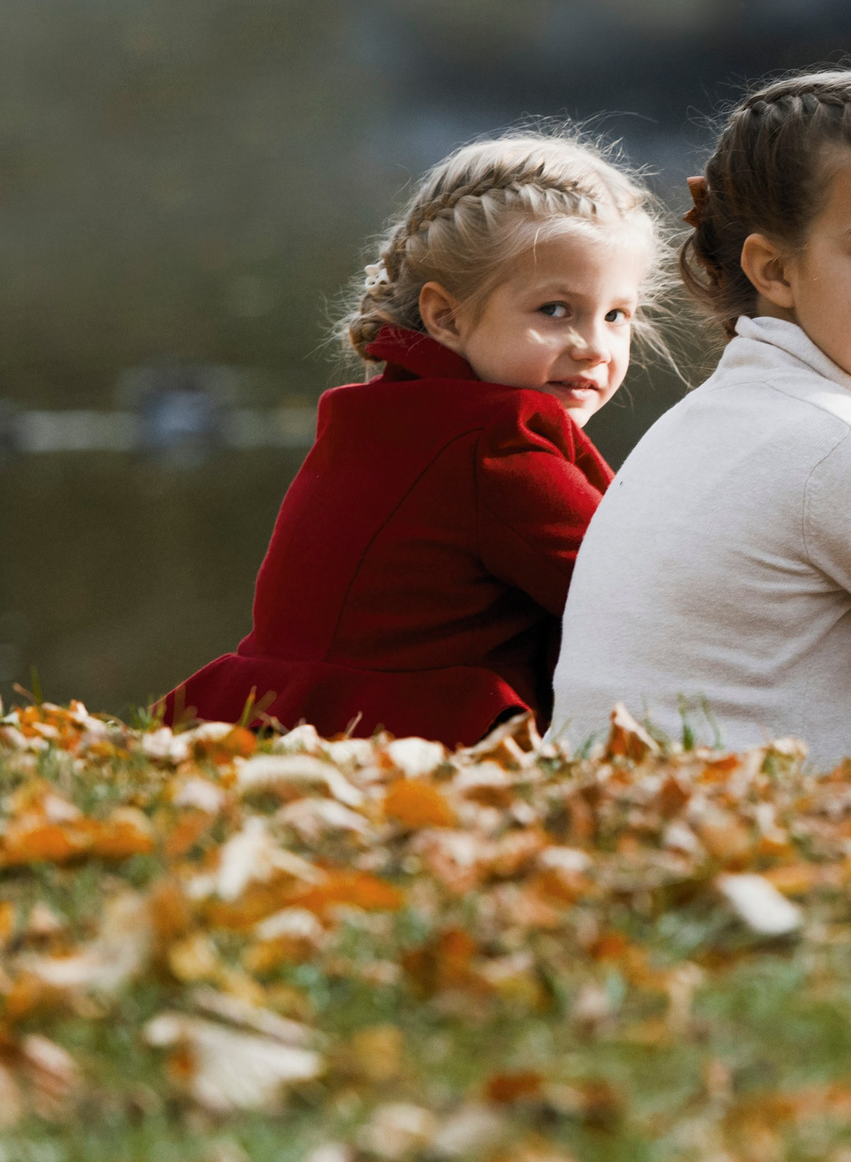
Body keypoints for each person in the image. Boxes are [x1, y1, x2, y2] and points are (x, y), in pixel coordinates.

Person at [161, 131, 666, 744]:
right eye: (555, 310)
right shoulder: (493, 441)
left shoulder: (382, 415)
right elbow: (629, 589)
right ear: (445, 316)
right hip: (398, 727)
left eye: (616, 315)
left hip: (283, 713)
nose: (594, 346)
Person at [554, 70, 851, 761]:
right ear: (773, 270)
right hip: (744, 835)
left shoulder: (701, 423)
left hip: (617, 806)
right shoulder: (844, 448)